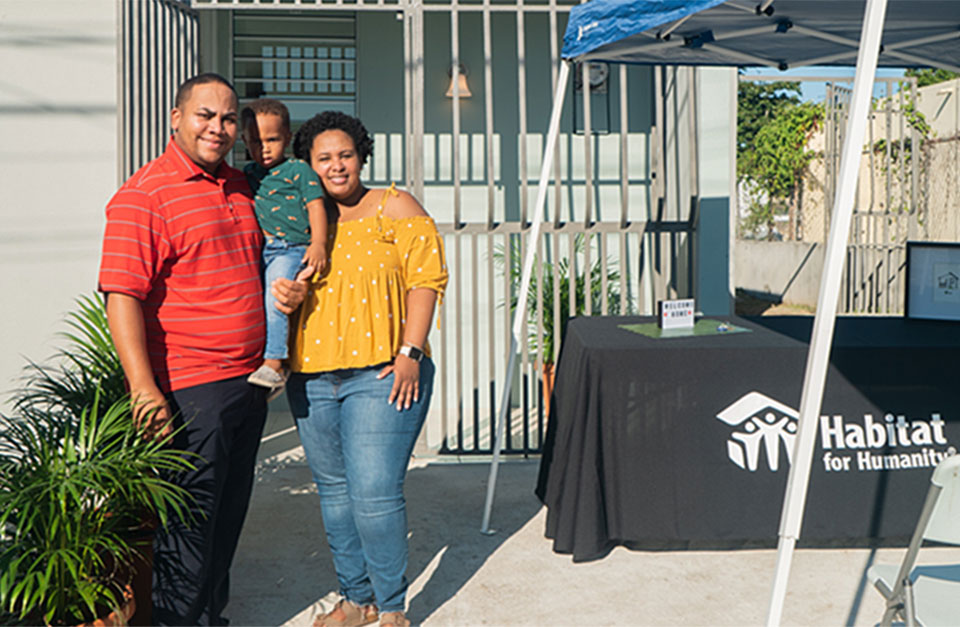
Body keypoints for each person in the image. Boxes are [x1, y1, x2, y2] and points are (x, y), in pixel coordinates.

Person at [98, 73, 307, 625]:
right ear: (176, 118)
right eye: (204, 115)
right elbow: (121, 297)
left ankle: (211, 616)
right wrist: (144, 390)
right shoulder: (144, 196)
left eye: (227, 118)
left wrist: (295, 286)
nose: (217, 127)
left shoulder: (242, 186)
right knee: (187, 531)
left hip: (249, 384)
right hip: (192, 390)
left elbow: (271, 260)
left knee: (227, 520)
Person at [284, 111, 448, 627]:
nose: (337, 166)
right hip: (312, 376)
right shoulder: (301, 221)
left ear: (362, 156)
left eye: (346, 155)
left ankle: (394, 608)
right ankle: (357, 601)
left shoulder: (394, 206)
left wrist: (411, 353)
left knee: (374, 493)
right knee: (334, 495)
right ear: (309, 167)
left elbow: (427, 281)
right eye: (324, 159)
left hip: (382, 374)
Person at [241, 98, 328, 394]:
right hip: (261, 249)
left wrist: (317, 243)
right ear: (244, 140)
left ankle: (275, 362)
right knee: (256, 302)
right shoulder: (250, 174)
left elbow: (316, 206)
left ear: (288, 138)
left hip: (291, 247)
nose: (263, 147)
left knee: (276, 297)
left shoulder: (299, 170)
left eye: (272, 139)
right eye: (255, 140)